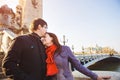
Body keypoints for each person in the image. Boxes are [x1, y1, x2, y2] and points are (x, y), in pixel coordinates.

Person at [41, 32, 111, 80]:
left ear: (52, 38)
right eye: (41, 37)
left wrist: (95, 76)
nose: (42, 38)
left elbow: (78, 66)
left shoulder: (65, 49)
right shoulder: (43, 52)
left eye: (45, 36)